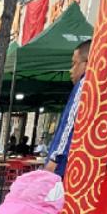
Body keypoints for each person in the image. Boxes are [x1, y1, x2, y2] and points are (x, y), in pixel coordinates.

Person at [45, 39, 91, 178]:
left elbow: (69, 124)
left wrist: (55, 158)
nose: (71, 71)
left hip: (63, 164)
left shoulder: (84, 84)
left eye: (74, 63)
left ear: (87, 63)